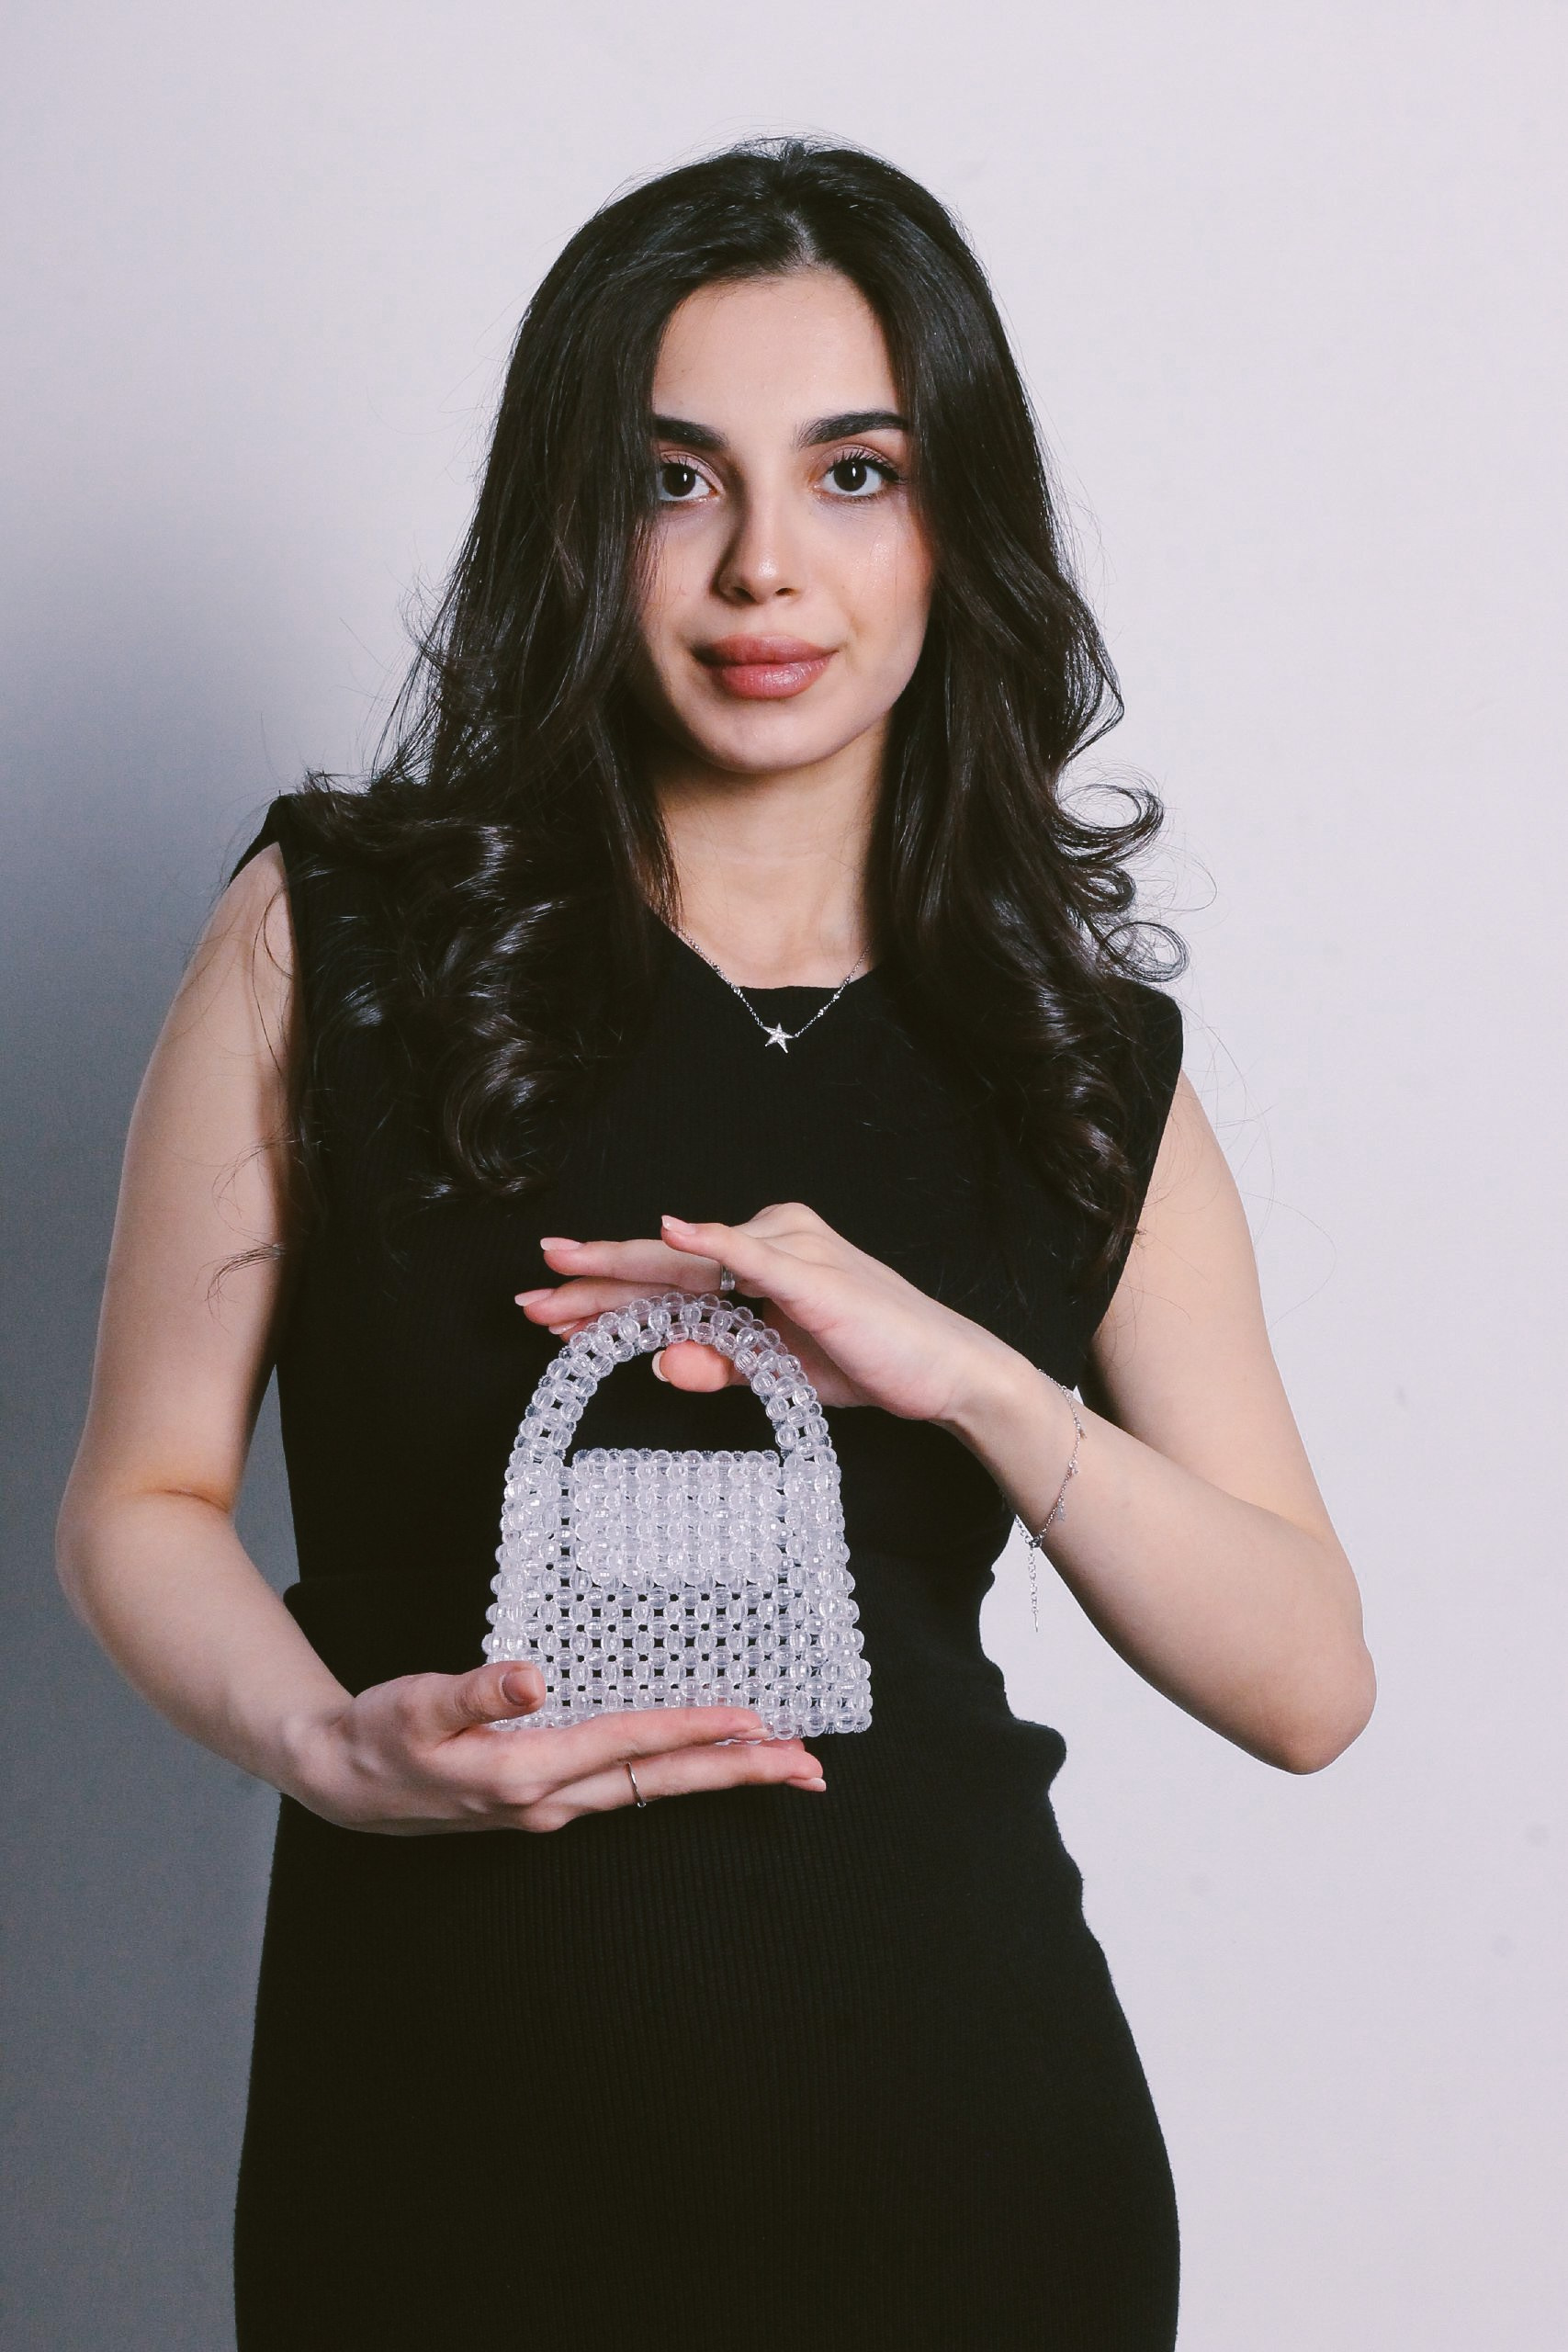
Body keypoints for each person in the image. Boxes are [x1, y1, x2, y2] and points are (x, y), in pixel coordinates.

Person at [55, 136, 1376, 2350]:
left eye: (853, 472)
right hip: (438, 2173)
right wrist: (327, 1739)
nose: (765, 563)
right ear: (576, 519)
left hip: (971, 2178)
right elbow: (141, 1496)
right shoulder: (340, 939)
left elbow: (1306, 1674)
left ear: (954, 521)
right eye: (675, 479)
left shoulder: (1066, 1058)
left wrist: (967, 1373)